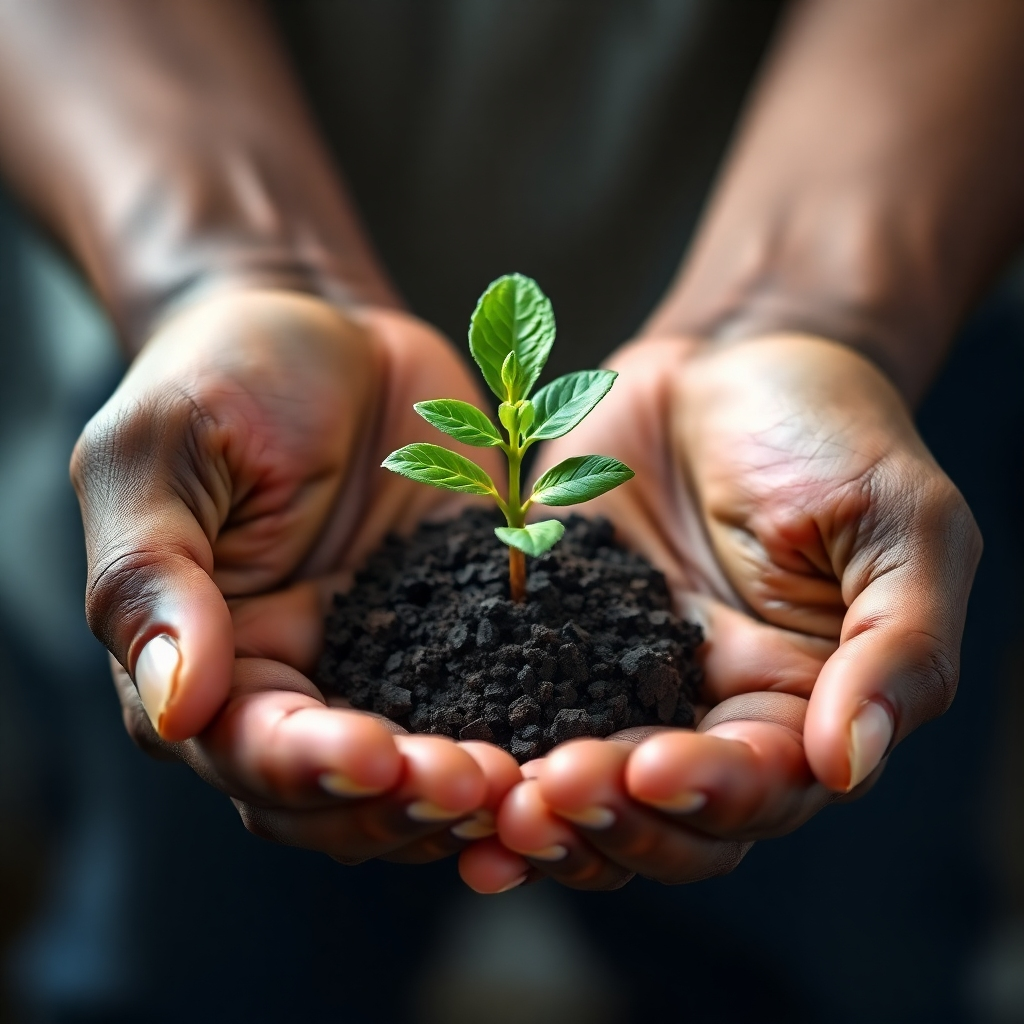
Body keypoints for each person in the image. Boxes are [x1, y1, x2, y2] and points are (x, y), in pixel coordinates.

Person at [0, 0, 1022, 1019]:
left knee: (839, 955)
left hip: (886, 280)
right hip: (218, 399)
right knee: (192, 957)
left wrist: (816, 313)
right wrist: (222, 272)